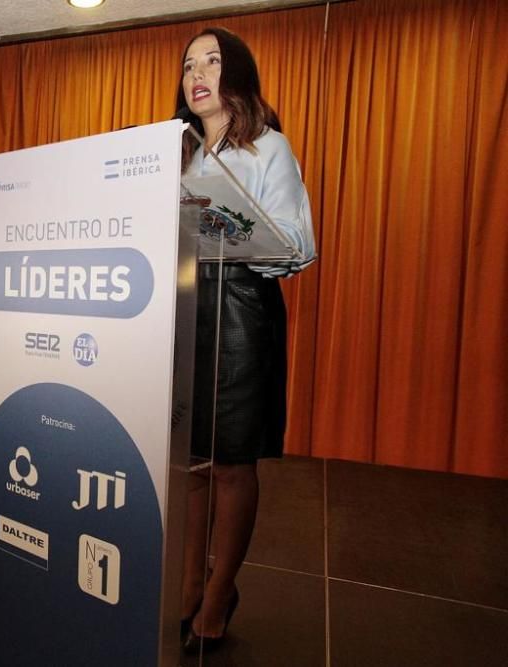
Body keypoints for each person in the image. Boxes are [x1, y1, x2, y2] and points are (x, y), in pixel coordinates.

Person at [176, 27, 316, 653]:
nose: (197, 72)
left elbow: (297, 245)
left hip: (239, 308)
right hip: (180, 307)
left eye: (212, 60)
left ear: (236, 74)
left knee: (233, 464)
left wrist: (226, 222)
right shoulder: (174, 155)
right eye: (188, 65)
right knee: (192, 463)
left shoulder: (268, 148)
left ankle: (218, 593)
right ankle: (186, 585)